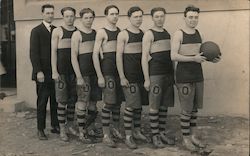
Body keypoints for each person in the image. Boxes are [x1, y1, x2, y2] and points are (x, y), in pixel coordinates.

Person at [170, 5, 221, 151]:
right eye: (190, 17)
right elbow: (173, 56)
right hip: (183, 77)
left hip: (198, 76)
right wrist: (194, 58)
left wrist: (213, 58)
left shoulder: (199, 33)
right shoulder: (178, 34)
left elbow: (202, 55)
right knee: (186, 110)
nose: (193, 20)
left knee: (194, 110)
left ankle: (193, 136)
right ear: (184, 17)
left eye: (196, 17)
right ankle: (186, 140)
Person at [142, 7, 175, 148]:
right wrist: (147, 79)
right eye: (157, 16)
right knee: (154, 106)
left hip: (167, 74)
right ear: (152, 18)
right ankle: (154, 135)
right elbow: (144, 58)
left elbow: (171, 57)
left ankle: (161, 133)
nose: (160, 19)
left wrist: (173, 74)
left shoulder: (167, 33)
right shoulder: (149, 34)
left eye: (162, 16)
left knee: (164, 106)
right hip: (155, 74)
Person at [116, 6, 149, 149]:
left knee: (139, 106)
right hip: (129, 76)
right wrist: (122, 76)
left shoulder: (143, 33)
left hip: (141, 75)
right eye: (135, 17)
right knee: (130, 106)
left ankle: (136, 131)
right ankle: (128, 136)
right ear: (129, 18)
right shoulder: (123, 34)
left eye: (140, 16)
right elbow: (118, 56)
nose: (139, 19)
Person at [92, 5, 123, 148]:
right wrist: (99, 75)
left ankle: (115, 128)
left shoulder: (121, 32)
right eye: (112, 14)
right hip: (107, 71)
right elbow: (94, 55)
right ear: (106, 16)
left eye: (117, 14)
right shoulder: (102, 33)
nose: (115, 16)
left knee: (117, 103)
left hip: (119, 71)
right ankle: (106, 134)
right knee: (109, 102)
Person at [71, 8, 102, 143]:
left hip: (95, 72)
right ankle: (81, 132)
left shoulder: (95, 33)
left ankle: (90, 128)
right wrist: (78, 76)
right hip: (84, 74)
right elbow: (73, 57)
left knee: (93, 103)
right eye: (86, 18)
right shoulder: (77, 35)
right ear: (81, 19)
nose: (89, 20)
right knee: (82, 101)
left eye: (91, 18)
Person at [30, 4, 59, 140]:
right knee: (42, 101)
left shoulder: (56, 30)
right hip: (42, 73)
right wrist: (38, 71)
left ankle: (55, 125)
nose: (50, 15)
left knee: (55, 100)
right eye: (48, 13)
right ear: (42, 14)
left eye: (52, 13)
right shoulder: (36, 31)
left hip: (54, 72)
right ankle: (40, 129)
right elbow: (33, 53)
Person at [51, 7, 78, 142]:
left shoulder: (78, 31)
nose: (69, 18)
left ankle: (71, 125)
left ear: (75, 17)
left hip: (74, 71)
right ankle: (62, 129)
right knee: (62, 101)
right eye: (67, 16)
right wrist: (54, 71)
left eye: (72, 16)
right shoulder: (58, 31)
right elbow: (53, 52)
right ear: (63, 17)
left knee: (73, 100)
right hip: (61, 72)